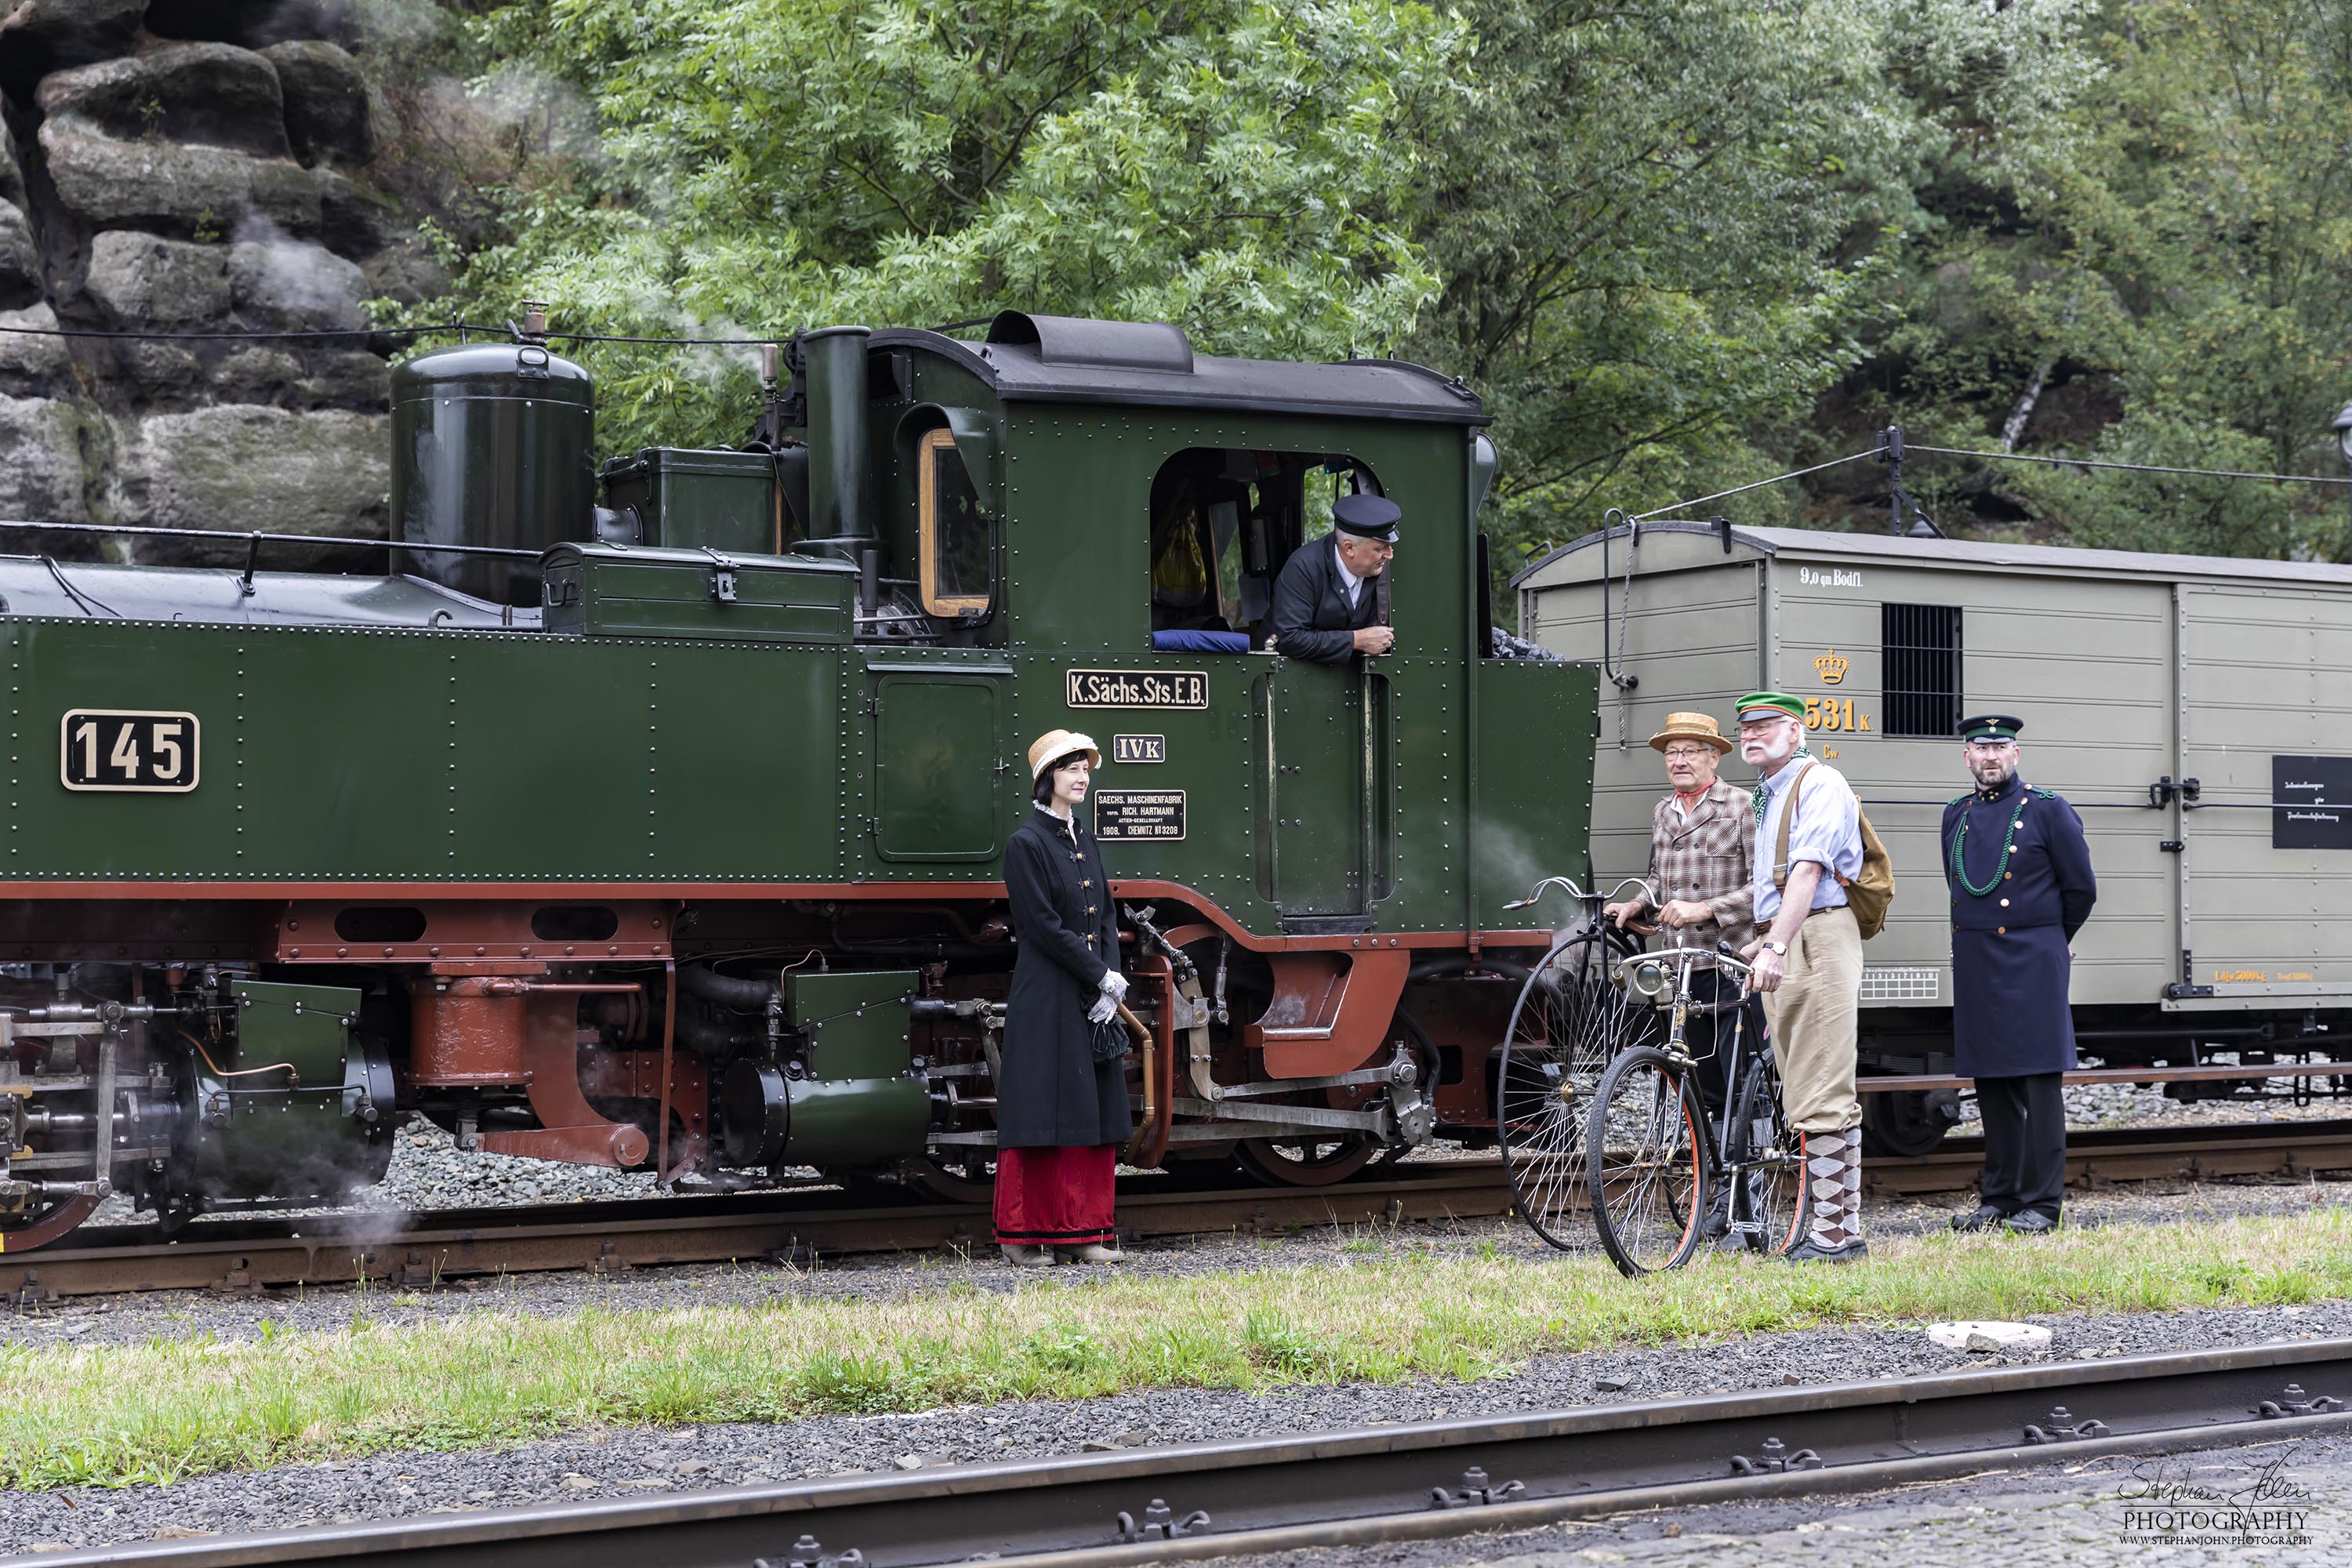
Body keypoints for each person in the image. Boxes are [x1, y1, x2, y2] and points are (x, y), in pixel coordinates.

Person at [1602, 710, 1763, 1249]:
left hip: (1733, 966)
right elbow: (1658, 878)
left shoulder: (1742, 806)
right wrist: (1638, 902)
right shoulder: (1663, 811)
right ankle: (1715, 1202)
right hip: (1681, 970)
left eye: (1692, 750)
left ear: (1715, 757)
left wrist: (1705, 909)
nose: (1679, 759)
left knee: (1743, 1091)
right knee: (1702, 1091)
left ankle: (1750, 1210)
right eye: (1672, 751)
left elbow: (1768, 889)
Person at [1942, 714, 2097, 1236]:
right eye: (1980, 749)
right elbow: (1960, 886)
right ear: (1967, 757)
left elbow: (2081, 890)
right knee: (1991, 1082)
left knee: (2037, 1082)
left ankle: (2043, 1204)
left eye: (2000, 747)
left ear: (2016, 755)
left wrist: (2047, 942)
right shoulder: (1956, 816)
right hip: (1978, 961)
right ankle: (2000, 1198)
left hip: (2033, 959)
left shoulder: (2048, 811)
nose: (1990, 757)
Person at [1734, 691, 1867, 1264]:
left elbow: (1809, 871)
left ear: (1795, 731)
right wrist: (1764, 937)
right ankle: (1843, 1229)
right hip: (1796, 935)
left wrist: (1777, 943)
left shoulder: (1819, 783)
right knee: (1807, 1087)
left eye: (1765, 725)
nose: (1751, 735)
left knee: (1822, 1086)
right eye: (1744, 728)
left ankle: (1834, 1238)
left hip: (1815, 937)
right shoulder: (1771, 793)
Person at [995, 729, 1134, 1267]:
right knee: (1042, 1113)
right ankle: (1022, 1236)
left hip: (1088, 994)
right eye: (1071, 768)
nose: (1081, 777)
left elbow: (1106, 915)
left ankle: (1082, 1234)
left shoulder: (1086, 839)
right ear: (1047, 778)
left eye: (1085, 770)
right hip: (1046, 994)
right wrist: (1100, 975)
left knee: (1089, 1112)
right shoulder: (1025, 845)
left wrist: (1112, 981)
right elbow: (1043, 928)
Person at [1266, 492, 1399, 662]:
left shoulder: (1377, 568)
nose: (1390, 555)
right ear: (1349, 548)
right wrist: (1356, 640)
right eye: (1380, 548)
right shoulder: (1303, 567)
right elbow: (1290, 638)